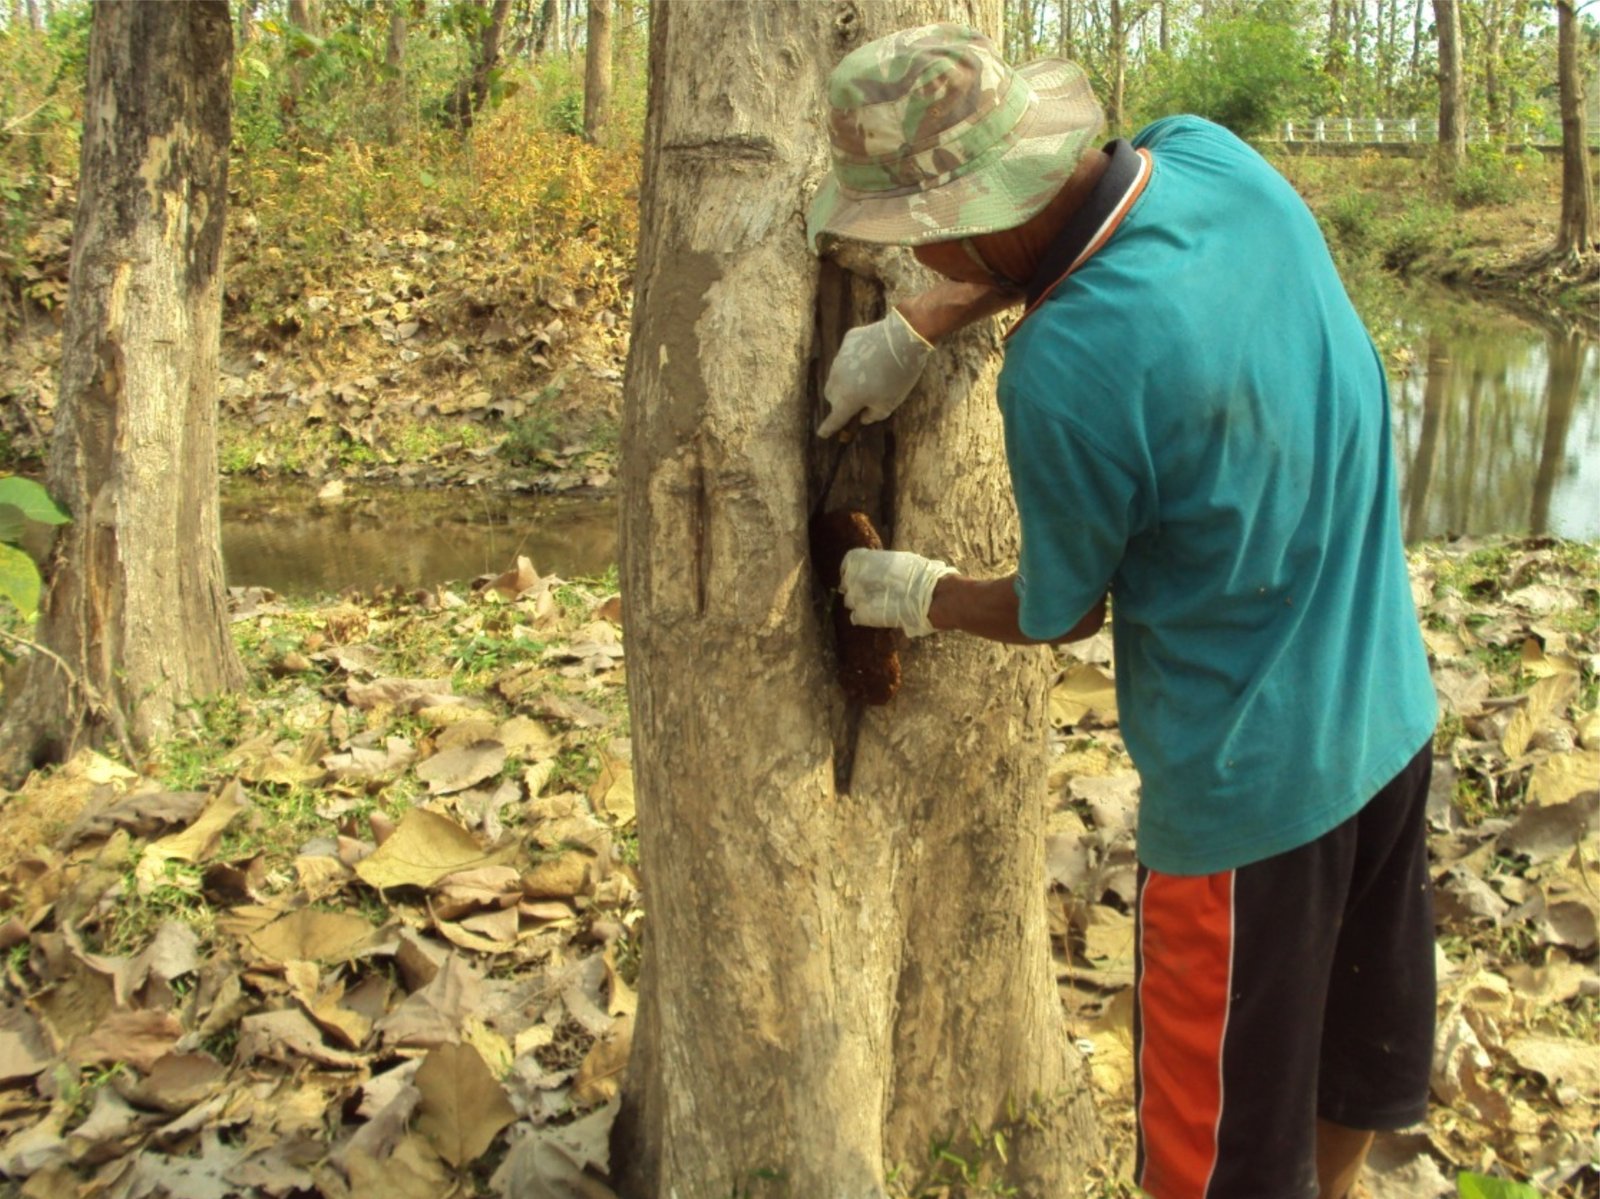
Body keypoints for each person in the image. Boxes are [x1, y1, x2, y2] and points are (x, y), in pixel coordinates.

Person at [807, 24, 1439, 1199]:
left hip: (1249, 804)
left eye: (928, 234)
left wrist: (918, 592)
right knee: (1353, 1064)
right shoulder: (1210, 159)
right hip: (1390, 716)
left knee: (1210, 1165)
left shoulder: (1062, 367)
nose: (929, 251)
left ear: (970, 211)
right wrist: (925, 322)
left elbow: (1059, 611)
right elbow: (1066, 232)